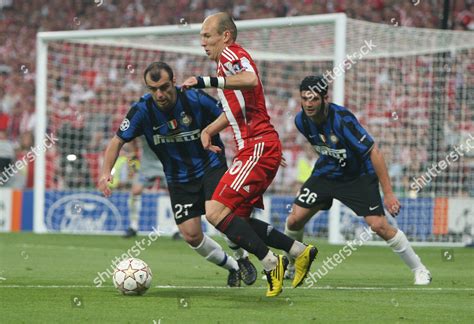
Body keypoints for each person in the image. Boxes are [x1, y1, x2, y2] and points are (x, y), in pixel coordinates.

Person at [182, 12, 317, 297]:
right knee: (236, 218)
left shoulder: (230, 54)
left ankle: (271, 263)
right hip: (258, 148)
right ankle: (298, 251)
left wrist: (205, 81)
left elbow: (251, 79)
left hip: (256, 146)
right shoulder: (225, 63)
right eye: (201, 37)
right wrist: (208, 129)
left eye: (207, 36)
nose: (202, 42)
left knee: (215, 213)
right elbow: (237, 108)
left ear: (225, 36)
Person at [98, 61, 257, 287]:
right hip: (178, 178)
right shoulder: (142, 110)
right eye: (153, 89)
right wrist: (106, 173)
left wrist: (234, 138)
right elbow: (117, 141)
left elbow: (230, 115)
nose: (159, 94)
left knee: (218, 216)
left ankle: (243, 258)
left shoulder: (194, 98)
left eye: (164, 87)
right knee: (191, 235)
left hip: (211, 166)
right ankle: (232, 266)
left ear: (174, 81)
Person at [283, 75, 432, 285]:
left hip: (357, 177)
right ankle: (293, 264)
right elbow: (326, 147)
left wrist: (388, 193)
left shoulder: (342, 120)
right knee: (294, 219)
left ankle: (420, 269)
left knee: (379, 225)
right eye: (305, 98)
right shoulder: (301, 121)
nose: (309, 103)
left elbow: (374, 152)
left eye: (314, 98)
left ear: (325, 98)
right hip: (326, 173)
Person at [123, 136, 167, 238]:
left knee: (173, 191)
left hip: (166, 162)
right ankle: (133, 226)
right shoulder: (143, 123)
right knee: (135, 191)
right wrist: (133, 154)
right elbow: (130, 138)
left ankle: (176, 229)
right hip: (147, 165)